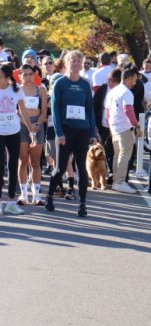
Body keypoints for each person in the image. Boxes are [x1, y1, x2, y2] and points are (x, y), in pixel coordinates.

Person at [45, 50, 97, 217]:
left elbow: (90, 109)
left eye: (78, 62)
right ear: (67, 63)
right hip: (65, 131)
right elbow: (54, 110)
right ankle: (49, 196)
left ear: (82, 64)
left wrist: (92, 132)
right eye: (73, 61)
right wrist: (59, 132)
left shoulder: (85, 84)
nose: (76, 64)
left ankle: (82, 204)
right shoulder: (60, 83)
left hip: (82, 130)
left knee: (81, 168)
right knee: (60, 168)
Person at [0, 63, 35, 215]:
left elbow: (23, 111)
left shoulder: (17, 89)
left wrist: (31, 130)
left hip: (13, 131)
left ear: (7, 78)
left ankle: (12, 201)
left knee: (13, 165)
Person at [105, 67, 140, 194]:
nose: (135, 83)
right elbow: (128, 110)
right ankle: (120, 182)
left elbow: (107, 111)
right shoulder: (127, 93)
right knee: (124, 155)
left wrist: (110, 125)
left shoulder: (113, 91)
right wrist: (136, 126)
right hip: (124, 128)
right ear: (129, 78)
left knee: (117, 155)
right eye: (134, 80)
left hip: (114, 127)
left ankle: (116, 180)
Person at [17, 64, 48, 206]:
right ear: (20, 76)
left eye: (30, 74)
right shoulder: (16, 90)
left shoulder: (40, 90)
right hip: (21, 126)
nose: (28, 77)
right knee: (23, 161)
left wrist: (35, 126)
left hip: (37, 126)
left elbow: (44, 112)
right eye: (25, 74)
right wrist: (28, 126)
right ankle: (23, 194)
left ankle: (36, 194)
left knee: (35, 162)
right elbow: (15, 111)